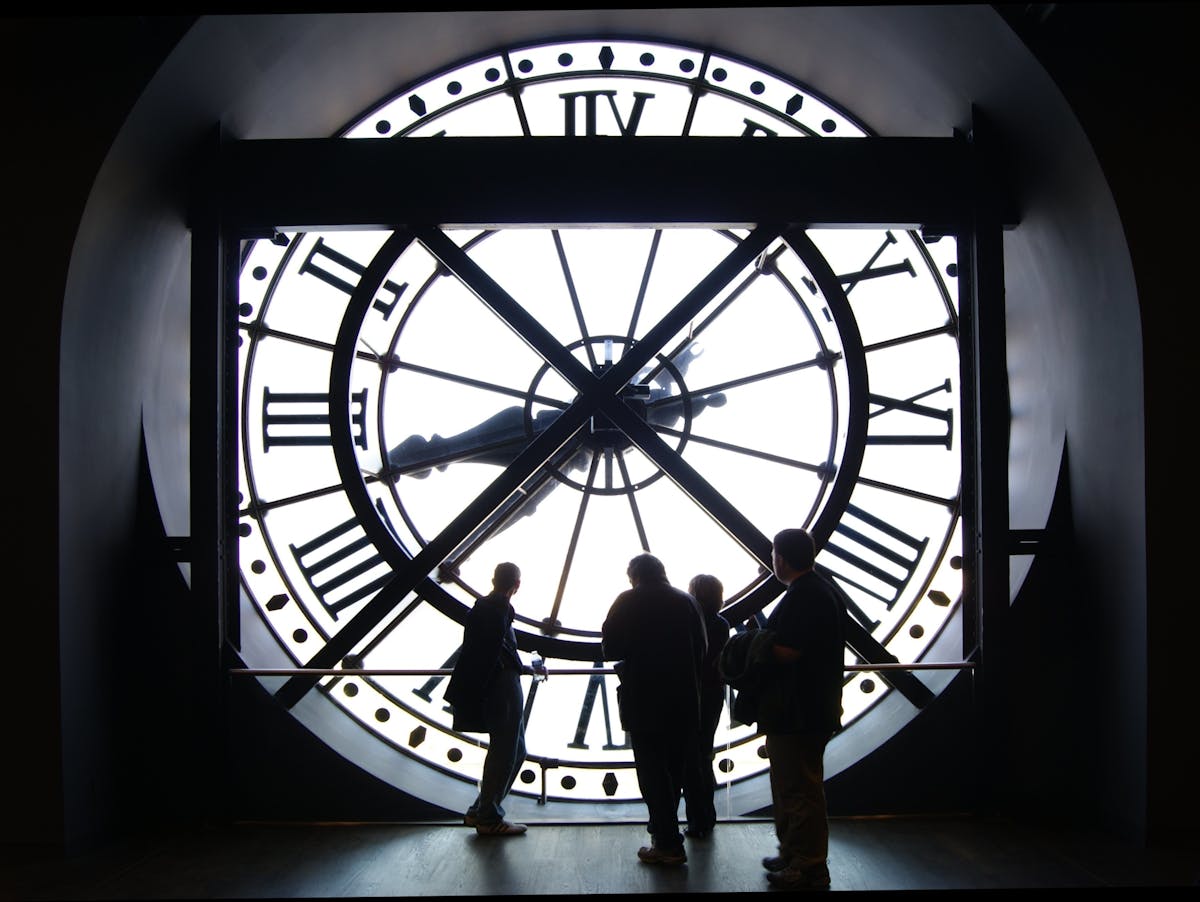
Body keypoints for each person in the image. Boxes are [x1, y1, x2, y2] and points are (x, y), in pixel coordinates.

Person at [602, 553, 707, 866]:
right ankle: (666, 836)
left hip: (644, 701)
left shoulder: (626, 602)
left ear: (634, 576)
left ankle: (666, 840)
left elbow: (611, 649)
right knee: (673, 772)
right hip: (684, 703)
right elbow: (701, 650)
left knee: (652, 773)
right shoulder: (688, 602)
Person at [759, 528, 847, 889]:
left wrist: (756, 648)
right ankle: (800, 859)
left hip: (796, 712)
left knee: (795, 789)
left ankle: (805, 864)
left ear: (780, 558)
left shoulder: (802, 597)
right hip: (810, 709)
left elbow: (788, 651)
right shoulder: (819, 592)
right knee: (800, 787)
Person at [444, 562, 545, 836]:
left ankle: (483, 811)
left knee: (507, 749)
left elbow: (486, 649)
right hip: (503, 687)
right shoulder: (500, 609)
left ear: (493, 579)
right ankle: (487, 815)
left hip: (494, 686)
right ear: (517, 585)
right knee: (509, 750)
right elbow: (497, 650)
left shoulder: (484, 607)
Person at [681, 573, 730, 839]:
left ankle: (697, 819)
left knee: (690, 760)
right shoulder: (721, 625)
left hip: (692, 696)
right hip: (712, 696)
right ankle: (704, 817)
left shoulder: (688, 623)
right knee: (702, 756)